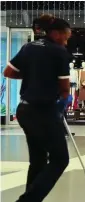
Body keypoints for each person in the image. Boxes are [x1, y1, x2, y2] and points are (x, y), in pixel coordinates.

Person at [3, 15, 72, 202]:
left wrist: (33, 77)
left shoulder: (28, 47)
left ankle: (30, 198)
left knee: (38, 159)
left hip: (25, 111)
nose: (66, 42)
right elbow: (65, 89)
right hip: (44, 112)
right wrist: (63, 98)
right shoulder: (59, 52)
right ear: (56, 33)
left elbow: (8, 72)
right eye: (65, 37)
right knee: (60, 159)